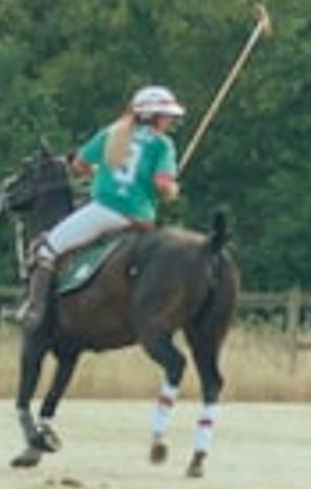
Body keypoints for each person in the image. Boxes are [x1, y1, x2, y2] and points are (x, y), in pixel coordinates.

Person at [16, 83, 186, 330]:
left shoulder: (112, 133)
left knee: (47, 249)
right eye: (166, 117)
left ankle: (34, 312)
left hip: (106, 212)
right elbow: (163, 185)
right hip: (141, 219)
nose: (169, 122)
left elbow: (78, 165)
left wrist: (99, 171)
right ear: (152, 116)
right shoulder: (163, 145)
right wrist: (173, 190)